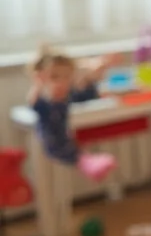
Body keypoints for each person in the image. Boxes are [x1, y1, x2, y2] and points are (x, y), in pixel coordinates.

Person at [26, 45, 120, 181]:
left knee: (78, 151)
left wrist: (100, 67)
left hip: (68, 140)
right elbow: (33, 102)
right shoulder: (45, 103)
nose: (61, 83)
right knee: (74, 153)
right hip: (54, 144)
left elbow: (87, 92)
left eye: (66, 77)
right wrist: (38, 85)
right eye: (54, 77)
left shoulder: (68, 97)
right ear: (42, 79)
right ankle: (89, 163)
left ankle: (90, 163)